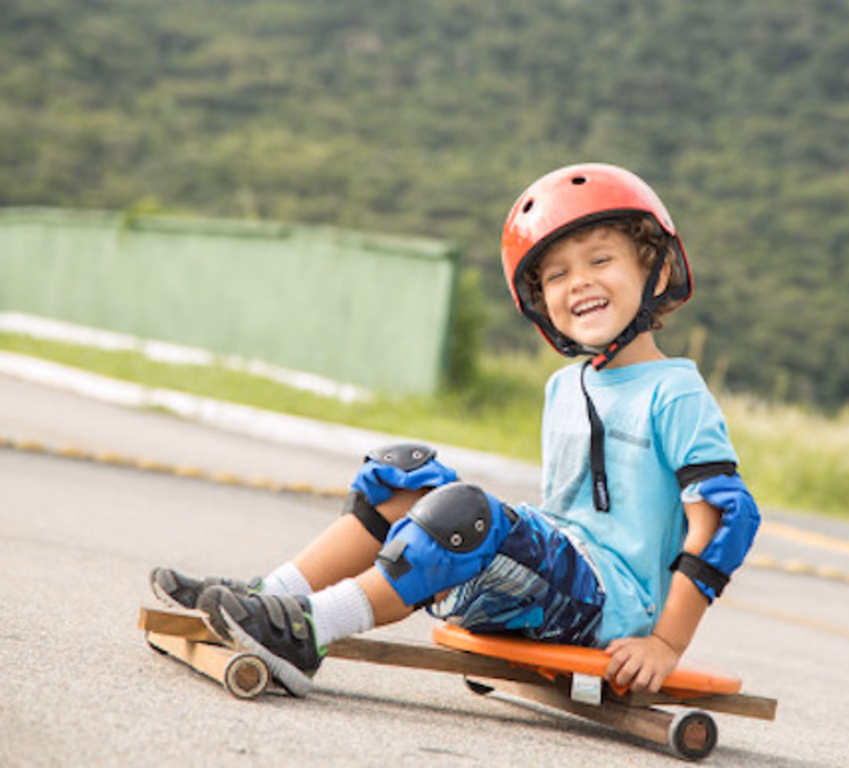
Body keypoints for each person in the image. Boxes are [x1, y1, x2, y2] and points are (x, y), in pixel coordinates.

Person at [150, 162, 760, 697]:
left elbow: (725, 517)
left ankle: (309, 630)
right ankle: (268, 598)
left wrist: (665, 644)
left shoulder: (675, 391)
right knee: (401, 474)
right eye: (556, 275)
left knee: (465, 513)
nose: (578, 282)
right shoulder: (564, 386)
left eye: (601, 260)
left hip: (611, 607)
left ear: (656, 269)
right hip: (556, 575)